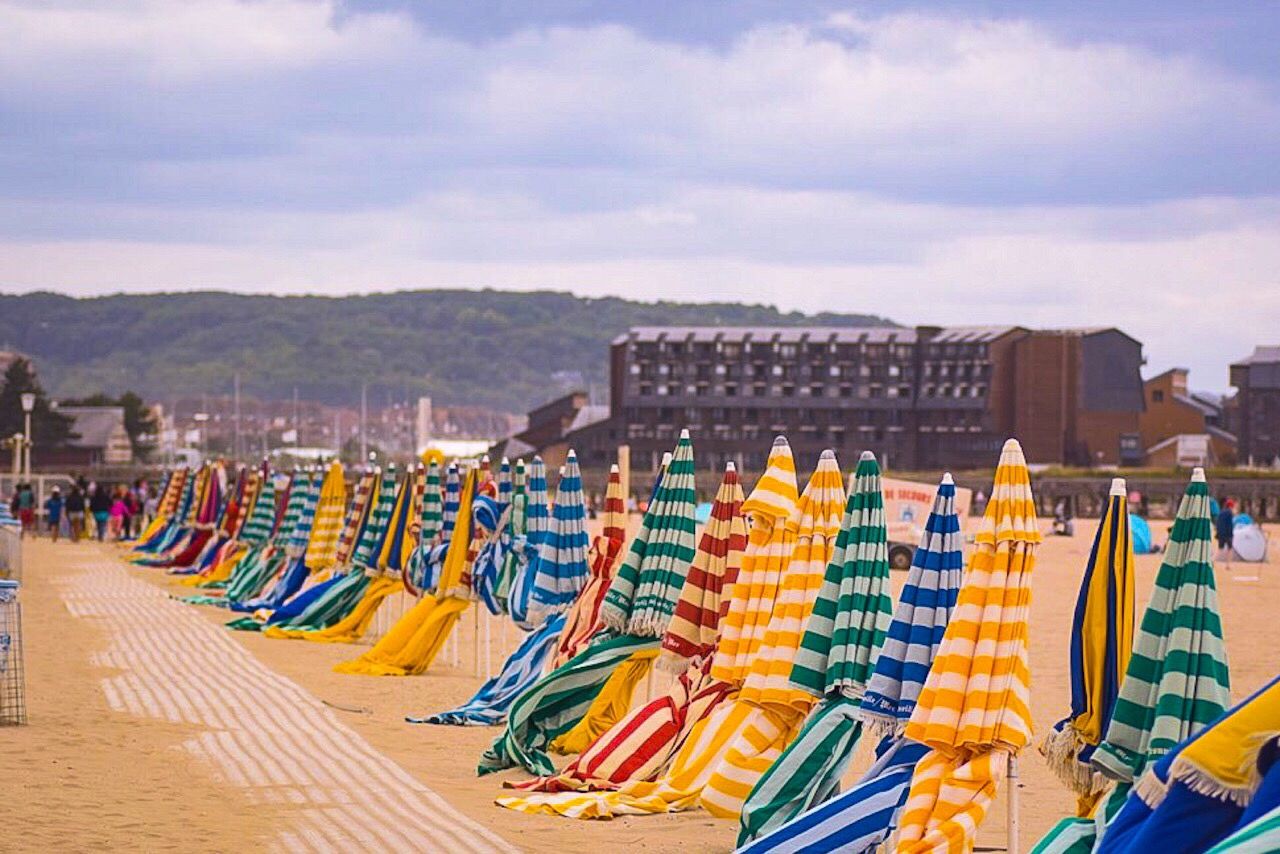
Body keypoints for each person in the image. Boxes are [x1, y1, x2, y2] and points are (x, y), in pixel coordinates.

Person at [1216, 498, 1235, 567]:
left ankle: (1213, 562)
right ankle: (1228, 565)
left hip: (1221, 533)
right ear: (1231, 506)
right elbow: (1229, 524)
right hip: (1227, 534)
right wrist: (1231, 534)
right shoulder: (1229, 513)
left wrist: (1218, 533)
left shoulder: (1221, 512)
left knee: (1220, 548)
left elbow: (1218, 523)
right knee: (1230, 549)